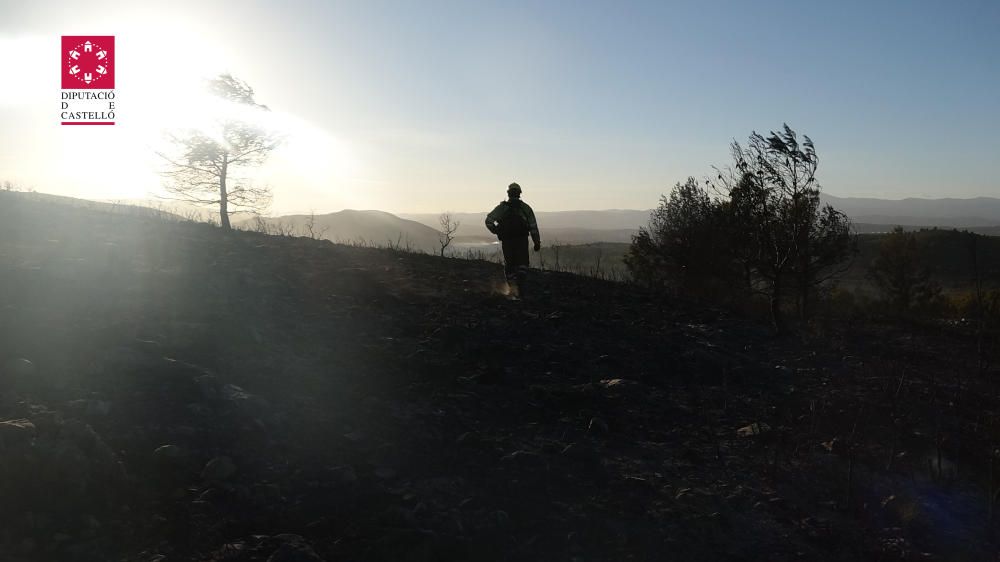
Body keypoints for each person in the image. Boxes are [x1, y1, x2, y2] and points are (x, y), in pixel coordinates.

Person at [485, 182, 541, 297]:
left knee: (510, 265)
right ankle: (520, 289)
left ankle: (512, 289)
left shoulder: (502, 208)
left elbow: (488, 221)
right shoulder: (526, 208)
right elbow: (533, 227)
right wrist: (536, 242)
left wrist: (496, 230)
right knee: (522, 264)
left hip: (507, 241)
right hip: (522, 240)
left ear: (508, 193)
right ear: (519, 194)